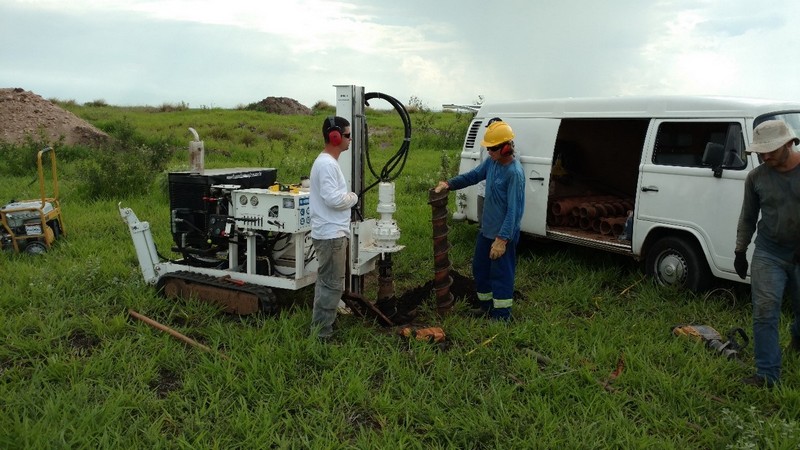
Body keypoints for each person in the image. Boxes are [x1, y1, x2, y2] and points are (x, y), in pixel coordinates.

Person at [434, 120, 525, 320]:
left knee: (501, 275)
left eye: (493, 148)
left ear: (506, 147)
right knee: (480, 269)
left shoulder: (514, 173)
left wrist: (502, 239)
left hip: (502, 235)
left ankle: (501, 316)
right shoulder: (492, 163)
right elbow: (473, 176)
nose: (489, 151)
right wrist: (449, 184)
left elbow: (514, 211)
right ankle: (486, 307)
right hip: (487, 231)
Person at [734, 119, 800, 387]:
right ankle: (767, 374)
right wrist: (740, 249)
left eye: (771, 149)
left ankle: (797, 340)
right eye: (761, 151)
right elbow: (748, 217)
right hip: (769, 252)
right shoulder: (756, 177)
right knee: (764, 311)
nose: (765, 155)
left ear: (789, 143)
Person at [309, 116, 358, 340]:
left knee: (326, 282)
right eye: (347, 135)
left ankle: (320, 328)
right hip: (331, 235)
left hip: (331, 232)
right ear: (335, 137)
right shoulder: (327, 164)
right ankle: (322, 336)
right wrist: (353, 198)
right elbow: (333, 199)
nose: (350, 139)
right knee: (332, 286)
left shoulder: (327, 162)